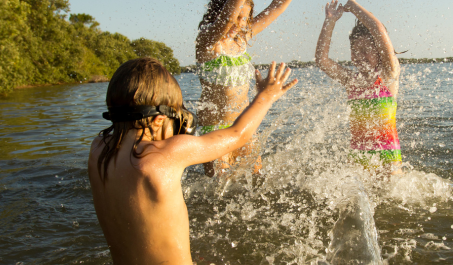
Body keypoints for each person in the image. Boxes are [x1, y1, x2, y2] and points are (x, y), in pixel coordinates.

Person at [87, 57, 297, 264]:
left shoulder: (98, 149)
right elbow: (237, 135)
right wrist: (266, 96)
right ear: (158, 119)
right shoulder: (166, 153)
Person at [195, 0, 293, 176]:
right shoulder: (207, 42)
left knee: (257, 179)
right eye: (236, 16)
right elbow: (226, 21)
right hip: (215, 130)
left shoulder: (242, 39)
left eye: (244, 18)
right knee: (220, 186)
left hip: (244, 127)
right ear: (218, 13)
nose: (238, 22)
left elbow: (277, 7)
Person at [315, 0, 403, 175]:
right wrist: (330, 21)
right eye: (354, 50)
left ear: (379, 50)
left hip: (388, 159)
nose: (359, 56)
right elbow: (321, 60)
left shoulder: (388, 75)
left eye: (366, 49)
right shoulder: (351, 81)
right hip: (358, 157)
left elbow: (378, 30)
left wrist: (352, 5)